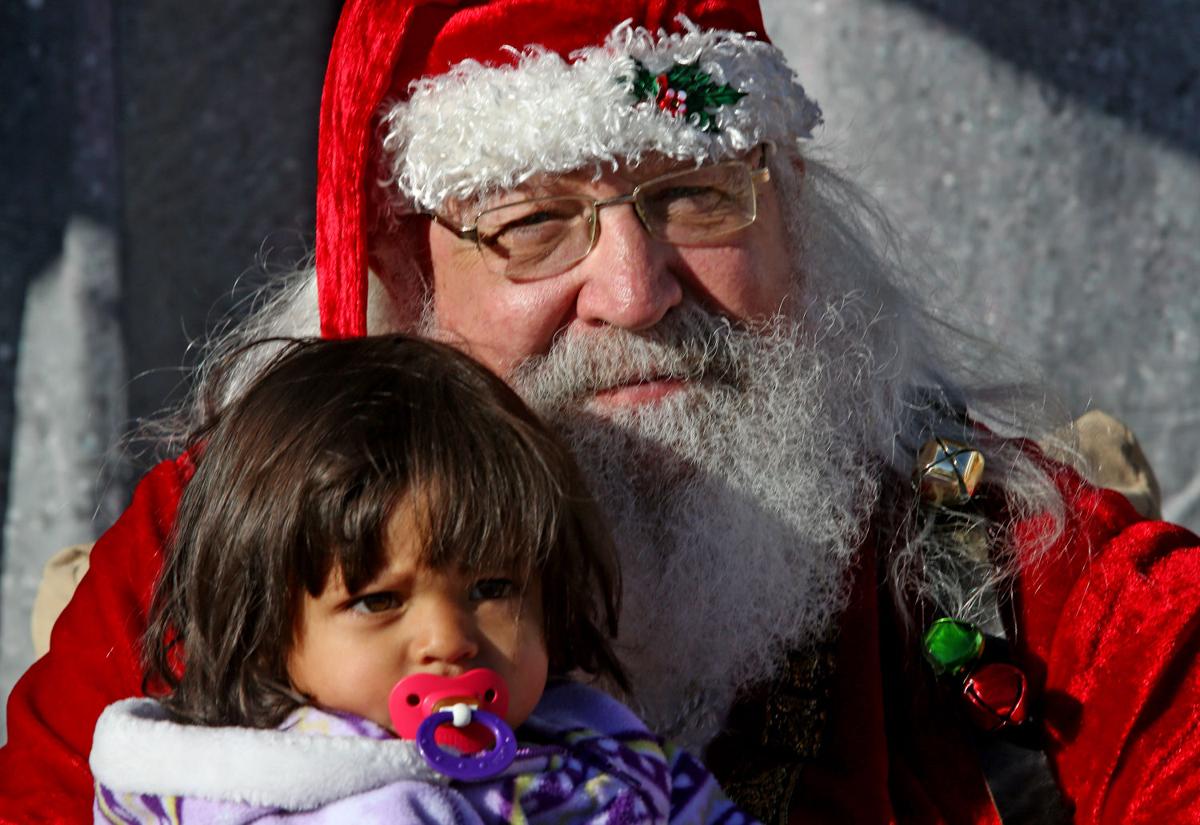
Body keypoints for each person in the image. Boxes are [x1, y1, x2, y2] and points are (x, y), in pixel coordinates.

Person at [2, 1, 1198, 822]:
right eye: (532, 225)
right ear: (406, 276)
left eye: (698, 195)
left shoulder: (959, 524)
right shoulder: (270, 525)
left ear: (792, 211)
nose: (634, 292)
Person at [89, 333, 755, 824]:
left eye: (492, 588)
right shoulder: (290, 799)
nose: (448, 639)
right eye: (378, 600)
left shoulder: (599, 744)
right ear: (266, 633)